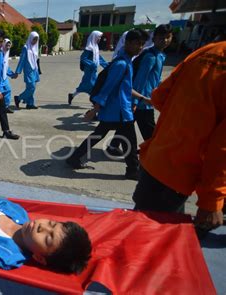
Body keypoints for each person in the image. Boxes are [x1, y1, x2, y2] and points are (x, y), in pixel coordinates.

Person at [132, 41, 226, 235]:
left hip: (160, 159)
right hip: (184, 169)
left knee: (150, 230)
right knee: (152, 238)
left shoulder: (209, 50)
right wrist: (212, 201)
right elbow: (221, 147)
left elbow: (159, 97)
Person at [65, 29, 150, 180]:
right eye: (138, 43)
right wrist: (94, 109)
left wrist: (142, 97)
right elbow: (107, 89)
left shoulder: (125, 62)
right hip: (119, 111)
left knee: (99, 135)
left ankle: (74, 158)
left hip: (116, 111)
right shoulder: (122, 64)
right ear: (128, 43)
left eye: (142, 44)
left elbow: (126, 87)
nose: (140, 47)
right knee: (129, 141)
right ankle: (132, 169)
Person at [107, 25, 173, 156]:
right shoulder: (150, 56)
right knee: (149, 131)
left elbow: (154, 78)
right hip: (143, 102)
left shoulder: (160, 55)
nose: (164, 41)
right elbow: (140, 80)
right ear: (154, 39)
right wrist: (136, 101)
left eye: (167, 38)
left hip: (146, 99)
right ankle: (152, 154)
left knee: (126, 125)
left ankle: (113, 146)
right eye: (161, 38)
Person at [68, 31, 109, 105]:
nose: (100, 39)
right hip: (89, 71)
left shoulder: (95, 47)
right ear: (94, 37)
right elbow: (83, 58)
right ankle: (94, 101)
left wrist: (107, 65)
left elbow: (99, 59)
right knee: (92, 86)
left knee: (85, 86)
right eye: (99, 37)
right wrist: (92, 64)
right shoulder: (89, 48)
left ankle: (72, 95)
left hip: (93, 71)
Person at [14, 32, 40, 110]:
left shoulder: (35, 47)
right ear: (30, 38)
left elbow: (36, 60)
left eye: (36, 39)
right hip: (28, 71)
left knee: (32, 87)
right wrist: (18, 71)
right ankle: (18, 98)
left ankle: (30, 103)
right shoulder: (25, 48)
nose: (35, 41)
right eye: (34, 39)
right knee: (31, 87)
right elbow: (22, 60)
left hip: (35, 70)